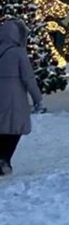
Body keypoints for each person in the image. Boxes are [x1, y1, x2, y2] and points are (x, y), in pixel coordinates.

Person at [0, 19, 44, 175]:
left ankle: (2, 159)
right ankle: (5, 159)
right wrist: (38, 99)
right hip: (15, 97)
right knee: (16, 128)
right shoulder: (19, 52)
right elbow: (28, 78)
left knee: (2, 127)